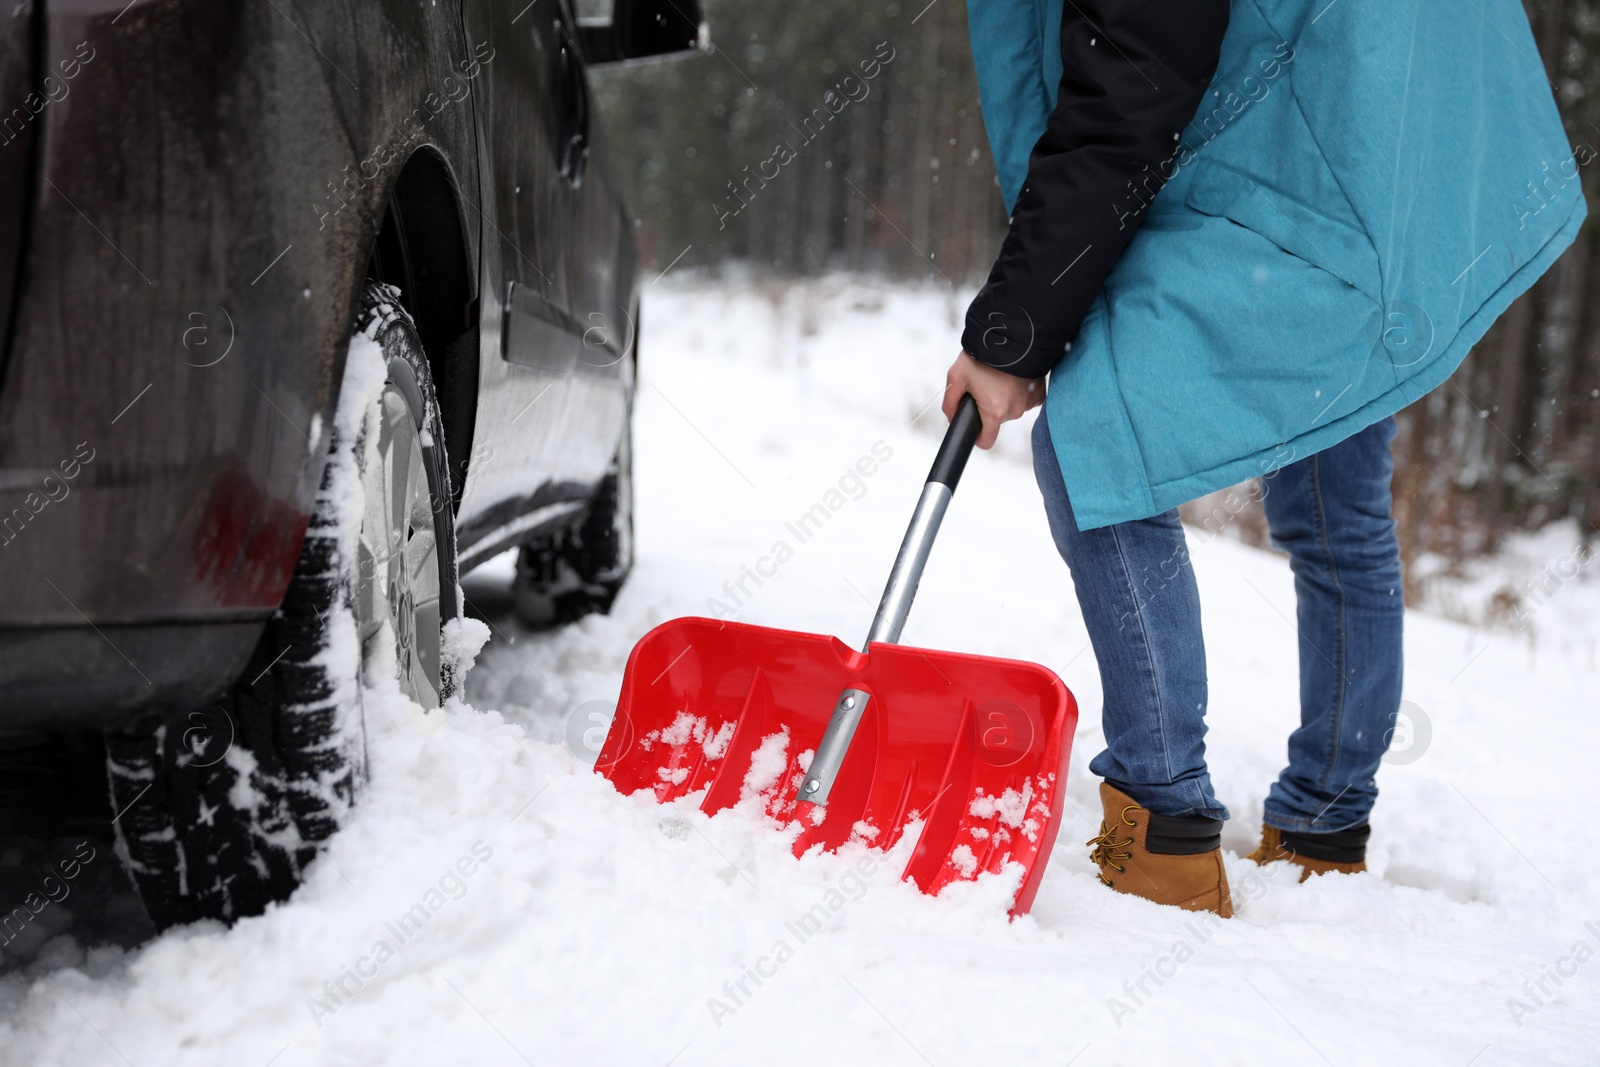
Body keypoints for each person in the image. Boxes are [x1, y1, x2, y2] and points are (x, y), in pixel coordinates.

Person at [946, 0, 1584, 916]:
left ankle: (1164, 820)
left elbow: (1131, 86)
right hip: (1348, 155)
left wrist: (1015, 334)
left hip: (1285, 173)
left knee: (1095, 438)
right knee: (1334, 477)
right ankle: (1324, 826)